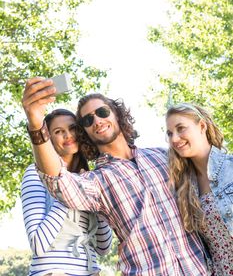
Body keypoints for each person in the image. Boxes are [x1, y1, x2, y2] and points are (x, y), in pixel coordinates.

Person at [22, 77, 210, 276]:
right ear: (85, 132)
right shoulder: (96, 181)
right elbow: (58, 181)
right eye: (88, 120)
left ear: (117, 115)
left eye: (102, 112)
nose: (97, 120)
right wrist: (36, 123)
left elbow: (205, 183)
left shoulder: (163, 156)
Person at [21, 107, 112, 276]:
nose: (68, 135)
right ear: (48, 139)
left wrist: (95, 196)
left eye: (72, 129)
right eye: (58, 131)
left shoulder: (90, 178)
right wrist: (68, 191)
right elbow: (38, 245)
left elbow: (104, 248)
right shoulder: (34, 174)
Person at [165, 102, 233, 275]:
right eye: (170, 133)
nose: (174, 139)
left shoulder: (230, 168)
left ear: (202, 126)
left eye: (181, 128)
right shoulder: (183, 189)